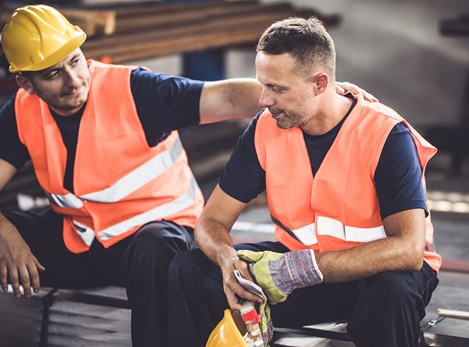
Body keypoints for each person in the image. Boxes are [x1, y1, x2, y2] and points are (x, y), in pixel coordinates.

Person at [0, 5, 374, 347]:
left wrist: (326, 94)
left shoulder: (134, 89)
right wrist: (2, 230)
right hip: (82, 238)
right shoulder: (22, 113)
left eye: (75, 60)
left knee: (156, 250)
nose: (73, 79)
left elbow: (226, 98)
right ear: (25, 84)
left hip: (159, 235)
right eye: (52, 74)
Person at [167, 17, 442, 347]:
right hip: (302, 271)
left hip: (375, 276)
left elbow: (409, 250)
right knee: (189, 269)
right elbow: (211, 222)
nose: (263, 100)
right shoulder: (264, 129)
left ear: (320, 83)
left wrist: (300, 269)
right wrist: (230, 265)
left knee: (391, 294)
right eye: (263, 85)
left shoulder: (386, 135)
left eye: (277, 89)